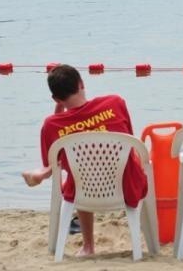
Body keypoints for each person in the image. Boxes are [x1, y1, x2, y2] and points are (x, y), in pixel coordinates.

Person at [22, 64, 147, 257]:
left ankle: (88, 247)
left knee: (79, 172)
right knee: (119, 162)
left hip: (84, 192)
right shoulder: (115, 102)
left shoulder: (51, 125)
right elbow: (129, 139)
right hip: (126, 185)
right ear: (81, 83)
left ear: (56, 99)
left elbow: (55, 164)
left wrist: (59, 116)